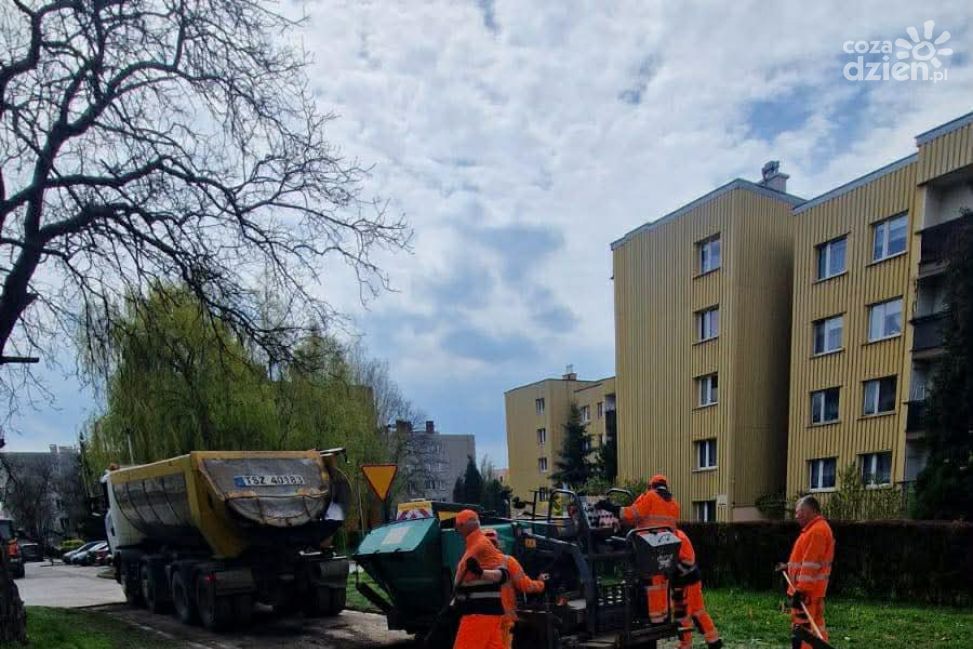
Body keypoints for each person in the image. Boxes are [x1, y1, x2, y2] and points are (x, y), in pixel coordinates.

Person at [595, 474, 680, 624]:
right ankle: (662, 617)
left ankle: (647, 617)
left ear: (652, 485)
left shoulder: (650, 496)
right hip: (665, 550)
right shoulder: (673, 504)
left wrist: (609, 507)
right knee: (661, 586)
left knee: (646, 585)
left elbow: (631, 515)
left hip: (646, 548)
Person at [452, 509, 510, 649]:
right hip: (485, 610)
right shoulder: (475, 544)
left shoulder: (480, 544)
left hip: (479, 612)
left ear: (465, 525)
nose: (458, 530)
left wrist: (480, 573)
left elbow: (503, 575)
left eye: (458, 526)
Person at [783, 496, 835, 649]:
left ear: (808, 511)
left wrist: (801, 591)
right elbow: (805, 562)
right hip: (813, 592)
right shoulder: (814, 530)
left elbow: (810, 565)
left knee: (802, 632)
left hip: (806, 595)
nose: (796, 516)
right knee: (817, 629)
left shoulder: (816, 531)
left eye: (798, 512)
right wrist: (787, 566)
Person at [482, 528, 547, 649]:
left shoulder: (473, 566)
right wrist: (541, 583)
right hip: (503, 621)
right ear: (497, 543)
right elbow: (526, 586)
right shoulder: (507, 562)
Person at [671, 528, 722, 649]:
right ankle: (711, 641)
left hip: (688, 582)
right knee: (686, 614)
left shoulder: (679, 537)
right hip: (682, 583)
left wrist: (672, 574)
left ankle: (711, 641)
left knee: (694, 613)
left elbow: (688, 562)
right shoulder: (673, 535)